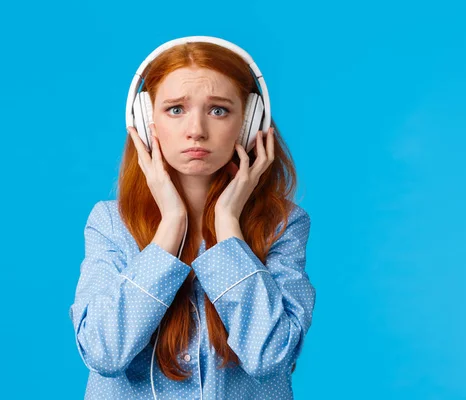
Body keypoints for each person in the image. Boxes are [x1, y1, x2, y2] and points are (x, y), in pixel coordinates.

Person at [69, 36, 316, 400]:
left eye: (218, 110)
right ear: (145, 119)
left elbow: (271, 358)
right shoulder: (110, 224)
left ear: (249, 123)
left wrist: (228, 228)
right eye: (175, 109)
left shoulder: (283, 225)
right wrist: (170, 228)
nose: (196, 129)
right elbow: (104, 353)